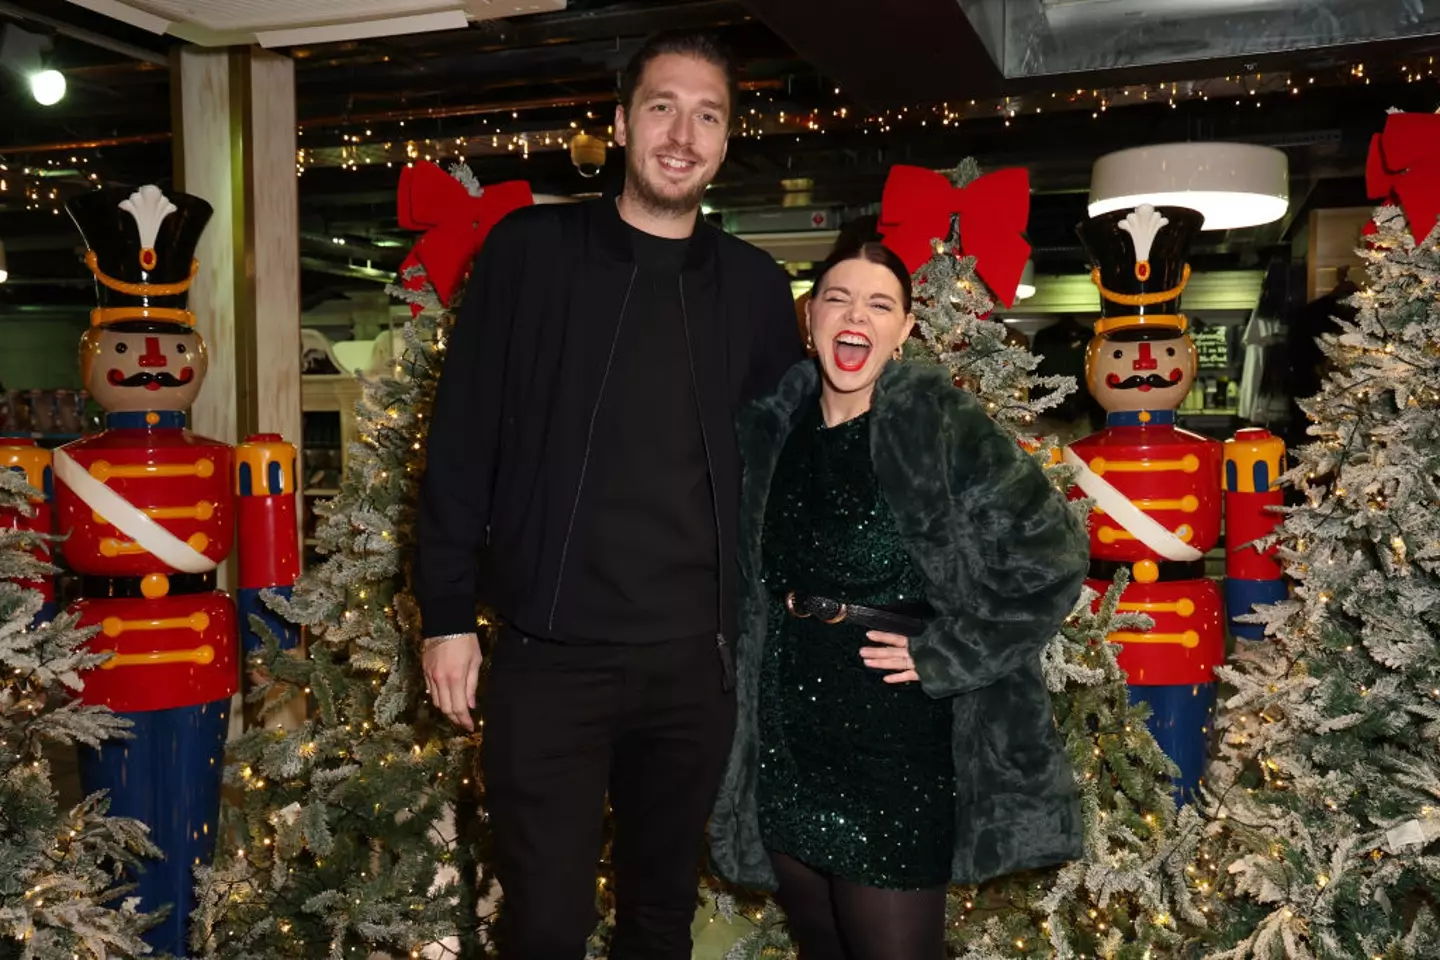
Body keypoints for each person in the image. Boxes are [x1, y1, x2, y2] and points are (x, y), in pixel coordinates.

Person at [412, 29, 803, 960]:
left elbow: (789, 466)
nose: (683, 133)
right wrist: (446, 615)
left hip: (693, 668)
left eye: (707, 115)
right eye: (663, 107)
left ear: (724, 141)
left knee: (660, 918)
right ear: (622, 123)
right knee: (545, 923)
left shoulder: (751, 288)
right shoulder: (530, 254)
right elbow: (461, 438)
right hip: (553, 662)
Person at [709, 240, 1089, 959]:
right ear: (810, 316)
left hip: (896, 738)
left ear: (905, 330)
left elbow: (1052, 554)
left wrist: (949, 652)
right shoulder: (769, 430)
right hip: (787, 728)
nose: (857, 316)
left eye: (879, 304)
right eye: (838, 298)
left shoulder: (937, 422)